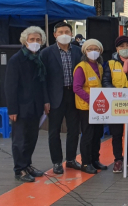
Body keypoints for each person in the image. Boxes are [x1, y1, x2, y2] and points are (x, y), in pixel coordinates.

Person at [40, 22, 83, 175]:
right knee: (54, 131)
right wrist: (45, 99)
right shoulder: (46, 53)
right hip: (54, 97)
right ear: (55, 35)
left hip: (74, 95)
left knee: (74, 130)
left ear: (72, 34)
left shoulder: (78, 51)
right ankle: (57, 162)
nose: (64, 34)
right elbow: (42, 79)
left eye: (67, 31)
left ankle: (71, 159)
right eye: (60, 32)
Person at [6, 26, 47, 182]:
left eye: (38, 40)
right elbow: (10, 86)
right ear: (25, 41)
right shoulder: (16, 59)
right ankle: (19, 169)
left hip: (35, 105)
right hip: (21, 107)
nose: (35, 42)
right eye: (32, 39)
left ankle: (27, 164)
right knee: (19, 140)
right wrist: (12, 109)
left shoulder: (38, 59)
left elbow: (42, 82)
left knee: (32, 138)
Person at [102, 36, 128, 173]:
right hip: (116, 103)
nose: (125, 49)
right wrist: (116, 92)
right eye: (122, 46)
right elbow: (106, 81)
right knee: (116, 133)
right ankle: (118, 160)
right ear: (117, 49)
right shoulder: (110, 64)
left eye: (127, 46)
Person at [73, 39, 106, 174]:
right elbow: (77, 87)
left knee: (97, 134)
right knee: (88, 135)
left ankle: (95, 159)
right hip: (86, 107)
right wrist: (90, 99)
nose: (93, 52)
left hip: (98, 107)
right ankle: (86, 163)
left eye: (96, 49)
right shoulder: (81, 67)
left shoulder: (99, 66)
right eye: (90, 49)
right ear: (85, 51)